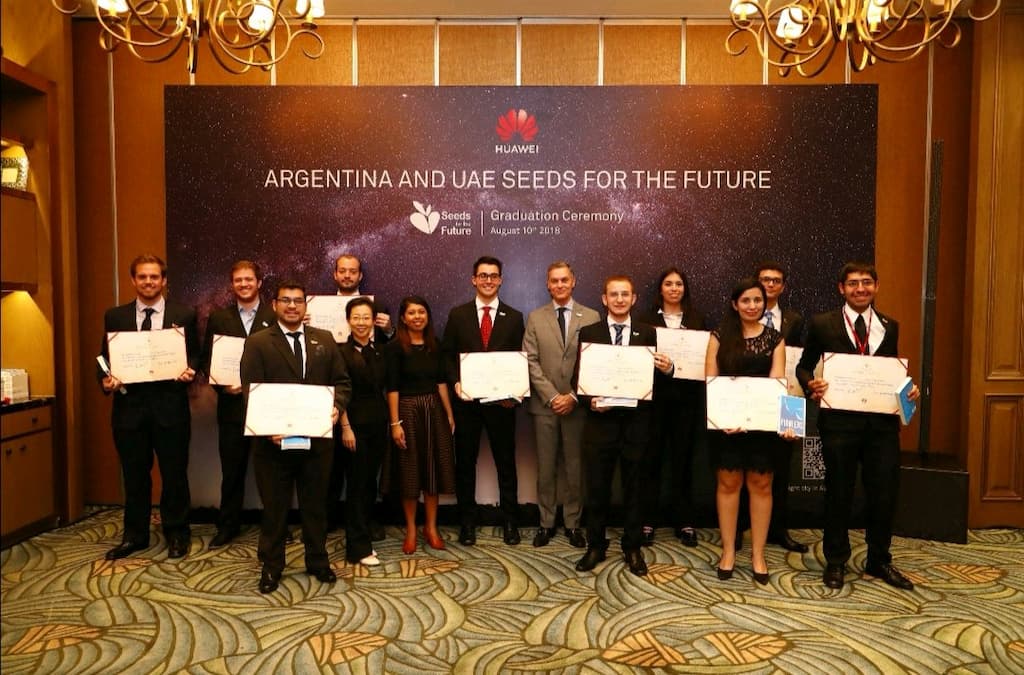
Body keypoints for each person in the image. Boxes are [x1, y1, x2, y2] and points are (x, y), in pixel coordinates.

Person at [796, 262, 920, 591]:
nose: (860, 288)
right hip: (839, 424)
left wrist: (909, 389)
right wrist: (811, 384)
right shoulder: (822, 324)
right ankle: (836, 560)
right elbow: (803, 367)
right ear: (842, 288)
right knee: (839, 492)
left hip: (882, 426)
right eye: (853, 283)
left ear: (876, 286)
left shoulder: (890, 327)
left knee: (884, 493)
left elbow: (891, 373)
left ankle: (879, 559)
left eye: (866, 282)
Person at [240, 280, 352, 594]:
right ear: (275, 305)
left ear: (305, 305)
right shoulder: (258, 343)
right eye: (286, 300)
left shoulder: (324, 340)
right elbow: (250, 391)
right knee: (275, 509)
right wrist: (268, 428)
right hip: (273, 444)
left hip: (317, 443)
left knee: (315, 506)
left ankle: (317, 560)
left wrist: (336, 407)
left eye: (298, 300)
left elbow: (342, 383)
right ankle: (271, 566)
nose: (292, 306)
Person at [99, 254, 200, 561]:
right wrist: (105, 379)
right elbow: (104, 359)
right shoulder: (115, 316)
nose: (148, 282)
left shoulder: (184, 314)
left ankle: (177, 532)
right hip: (129, 412)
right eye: (142, 276)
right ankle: (135, 535)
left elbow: (195, 354)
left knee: (174, 475)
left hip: (171, 410)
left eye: (154, 276)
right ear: (133, 280)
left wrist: (191, 369)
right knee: (134, 476)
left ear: (164, 280)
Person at [573, 275, 675, 577]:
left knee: (635, 489)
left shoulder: (648, 333)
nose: (619, 299)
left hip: (636, 426)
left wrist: (669, 369)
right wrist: (589, 401)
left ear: (634, 299)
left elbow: (656, 381)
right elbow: (578, 378)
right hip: (599, 425)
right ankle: (596, 545)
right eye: (614, 295)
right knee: (597, 489)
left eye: (625, 294)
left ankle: (632, 547)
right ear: (604, 299)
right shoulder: (589, 332)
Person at [705, 278, 793, 585]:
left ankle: (758, 554)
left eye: (757, 300)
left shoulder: (775, 339)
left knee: (761, 485)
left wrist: (784, 423)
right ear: (735, 304)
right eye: (746, 300)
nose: (752, 306)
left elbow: (778, 384)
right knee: (728, 484)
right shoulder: (718, 336)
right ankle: (728, 551)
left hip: (762, 426)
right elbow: (711, 381)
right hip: (727, 425)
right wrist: (723, 418)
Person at [442, 256, 525, 546]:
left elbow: (520, 361)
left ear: (500, 280)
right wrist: (455, 382)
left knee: (506, 463)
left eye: (493, 276)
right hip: (467, 404)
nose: (488, 280)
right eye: (483, 275)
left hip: (502, 405)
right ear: (473, 280)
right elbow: (447, 355)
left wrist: (515, 395)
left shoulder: (514, 317)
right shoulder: (458, 315)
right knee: (465, 464)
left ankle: (511, 521)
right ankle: (467, 522)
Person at [522, 261, 599, 548]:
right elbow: (530, 360)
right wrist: (553, 397)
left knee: (574, 467)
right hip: (545, 406)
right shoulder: (535, 317)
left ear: (573, 281)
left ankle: (573, 524)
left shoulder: (591, 317)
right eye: (554, 281)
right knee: (546, 468)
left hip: (576, 406)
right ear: (547, 284)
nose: (560, 285)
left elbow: (593, 359)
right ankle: (546, 523)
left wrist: (574, 396)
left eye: (564, 280)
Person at [202, 260, 276, 548]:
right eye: (238, 280)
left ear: (259, 283)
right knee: (232, 471)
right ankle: (228, 525)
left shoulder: (275, 315)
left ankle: (276, 524)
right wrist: (221, 384)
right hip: (232, 407)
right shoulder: (219, 318)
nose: (244, 284)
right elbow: (209, 359)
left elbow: (283, 360)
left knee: (271, 472)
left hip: (267, 409)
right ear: (232, 285)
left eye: (249, 279)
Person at [739, 261, 808, 553]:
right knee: (744, 463)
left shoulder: (795, 320)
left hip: (785, 400)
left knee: (781, 464)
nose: (770, 284)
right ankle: (741, 527)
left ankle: (779, 529)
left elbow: (799, 363)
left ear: (783, 286)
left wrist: (794, 414)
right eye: (765, 279)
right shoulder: (739, 318)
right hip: (748, 400)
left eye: (776, 280)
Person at [638, 266, 707, 548]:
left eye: (679, 284)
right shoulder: (644, 321)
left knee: (683, 461)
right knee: (650, 461)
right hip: (653, 401)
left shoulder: (698, 320)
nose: (674, 288)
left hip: (686, 402)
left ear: (685, 288)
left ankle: (684, 520)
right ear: (660, 289)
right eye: (668, 284)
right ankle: (647, 520)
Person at [323, 254, 392, 538]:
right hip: (341, 410)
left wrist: (389, 330)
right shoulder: (319, 310)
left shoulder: (379, 332)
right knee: (335, 471)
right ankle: (332, 521)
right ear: (335, 274)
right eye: (343, 271)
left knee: (366, 474)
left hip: (373, 415)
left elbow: (391, 355)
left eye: (353, 271)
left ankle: (365, 520)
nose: (348, 275)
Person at [384, 296, 456, 554]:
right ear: (403, 318)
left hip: (434, 411)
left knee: (433, 471)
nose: (417, 317)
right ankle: (412, 530)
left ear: (427, 316)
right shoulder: (394, 348)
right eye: (412, 313)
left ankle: (431, 527)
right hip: (407, 412)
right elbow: (392, 388)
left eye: (421, 312)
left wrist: (449, 414)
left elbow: (441, 382)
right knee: (410, 473)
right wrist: (395, 423)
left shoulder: (435, 345)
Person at [337, 297, 389, 567]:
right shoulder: (340, 352)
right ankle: (357, 549)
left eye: (366, 317)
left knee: (369, 484)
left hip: (378, 425)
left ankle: (364, 534)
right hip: (353, 427)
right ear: (348, 320)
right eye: (356, 317)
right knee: (357, 486)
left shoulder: (379, 350)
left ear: (373, 321)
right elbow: (339, 391)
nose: (361, 323)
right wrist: (346, 427)